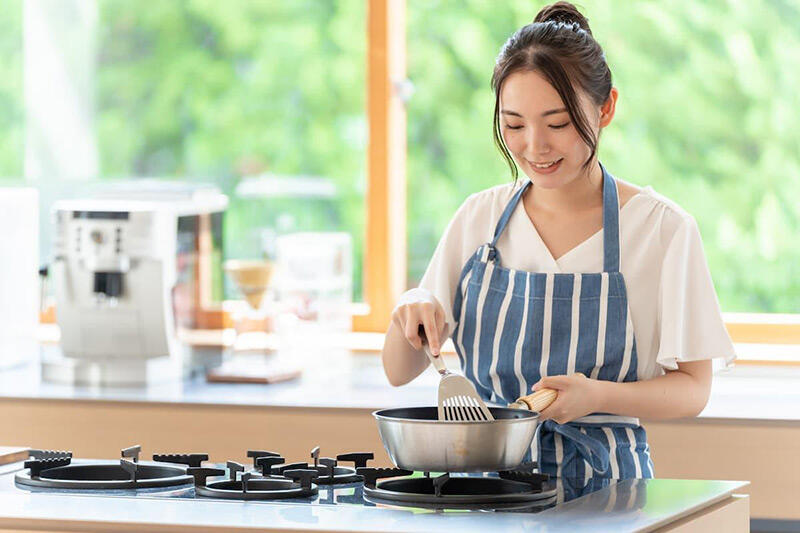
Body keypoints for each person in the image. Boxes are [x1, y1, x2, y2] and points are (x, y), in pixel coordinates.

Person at [381, 1, 735, 483]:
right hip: (487, 490)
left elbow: (694, 388)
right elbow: (399, 371)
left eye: (558, 123)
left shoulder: (661, 229)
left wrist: (598, 395)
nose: (535, 147)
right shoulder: (479, 219)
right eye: (513, 125)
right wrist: (412, 303)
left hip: (610, 492)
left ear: (606, 107)